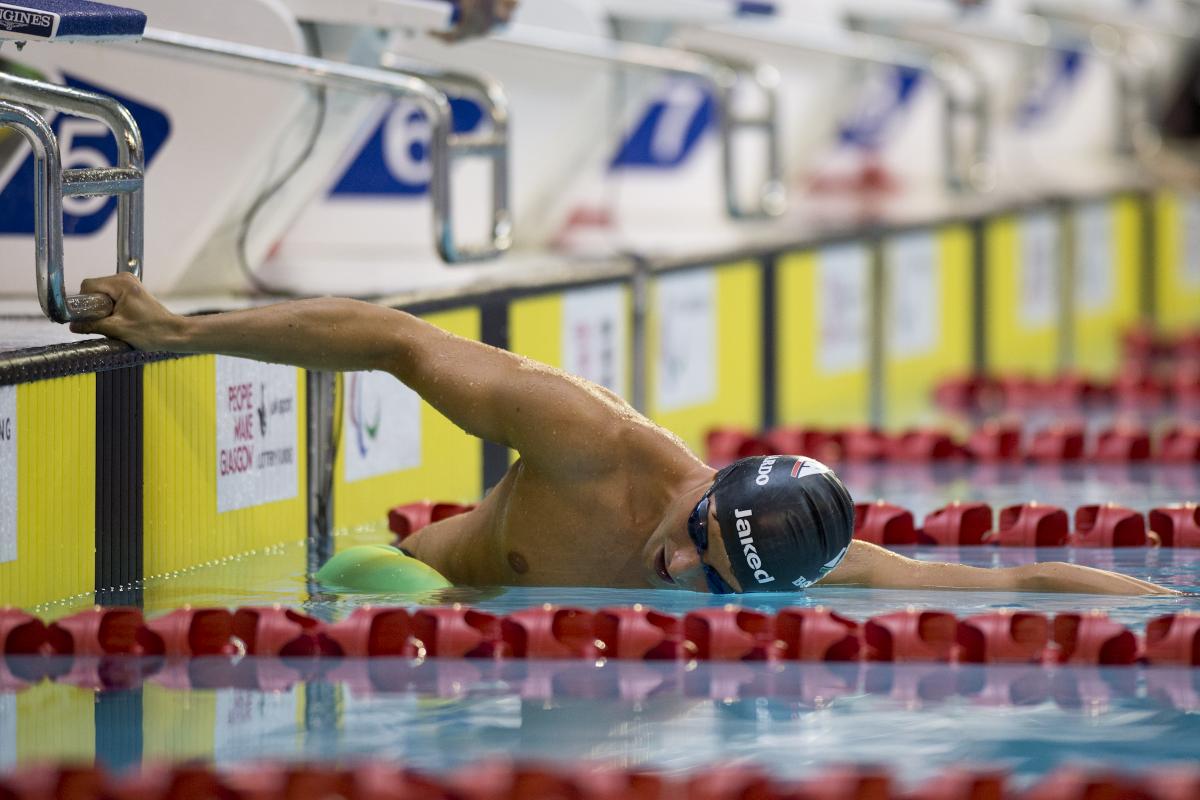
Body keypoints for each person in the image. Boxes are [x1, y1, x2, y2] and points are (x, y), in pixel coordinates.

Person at [72, 274, 1176, 596]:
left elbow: (1009, 578)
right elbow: (395, 338)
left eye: (712, 581)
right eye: (698, 535)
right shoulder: (587, 438)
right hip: (388, 589)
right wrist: (184, 330)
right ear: (708, 487)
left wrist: (1167, 604)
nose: (679, 565)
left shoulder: (804, 566)